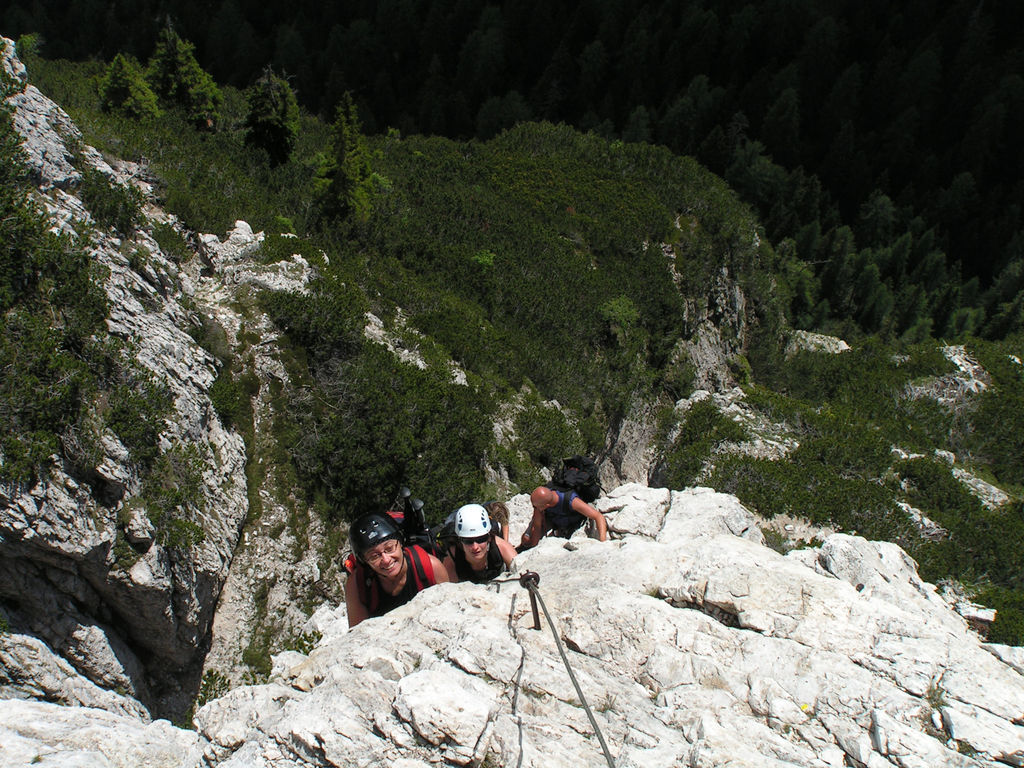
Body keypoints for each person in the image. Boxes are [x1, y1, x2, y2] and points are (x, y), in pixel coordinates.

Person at [345, 511, 448, 628]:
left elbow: (449, 613)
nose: (386, 559)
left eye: (389, 548)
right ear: (364, 561)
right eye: (374, 556)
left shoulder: (430, 567)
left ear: (401, 543)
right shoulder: (358, 586)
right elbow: (358, 633)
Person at [442, 503, 517, 583]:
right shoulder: (452, 556)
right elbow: (450, 588)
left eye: (481, 539)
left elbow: (520, 571)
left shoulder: (501, 547)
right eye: (468, 541)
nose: (475, 547)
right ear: (460, 540)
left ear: (489, 538)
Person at [518, 485, 608, 551]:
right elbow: (537, 526)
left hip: (573, 524)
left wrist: (603, 542)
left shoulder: (571, 501)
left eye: (536, 507)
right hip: (556, 521)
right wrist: (533, 546)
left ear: (547, 505)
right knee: (526, 539)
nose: (534, 508)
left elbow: (598, 516)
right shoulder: (540, 505)